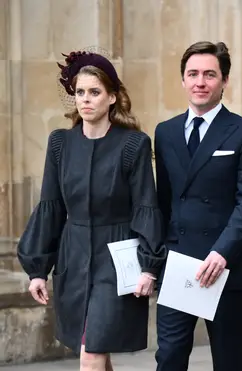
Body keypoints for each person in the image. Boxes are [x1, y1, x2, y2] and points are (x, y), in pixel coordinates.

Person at [17, 49, 167, 371]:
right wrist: (38, 269)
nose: (85, 100)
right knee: (93, 347)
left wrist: (149, 266)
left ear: (112, 97)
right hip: (74, 256)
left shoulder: (134, 144)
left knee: (91, 351)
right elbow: (51, 206)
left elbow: (146, 204)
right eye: (80, 92)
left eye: (95, 92)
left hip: (117, 257)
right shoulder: (60, 143)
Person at [153, 41, 242, 371]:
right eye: (193, 74)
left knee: (229, 360)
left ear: (224, 81)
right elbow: (163, 200)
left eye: (209, 74)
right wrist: (156, 259)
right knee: (170, 356)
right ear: (183, 80)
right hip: (179, 263)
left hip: (226, 263)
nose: (200, 82)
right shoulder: (165, 132)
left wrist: (221, 253)